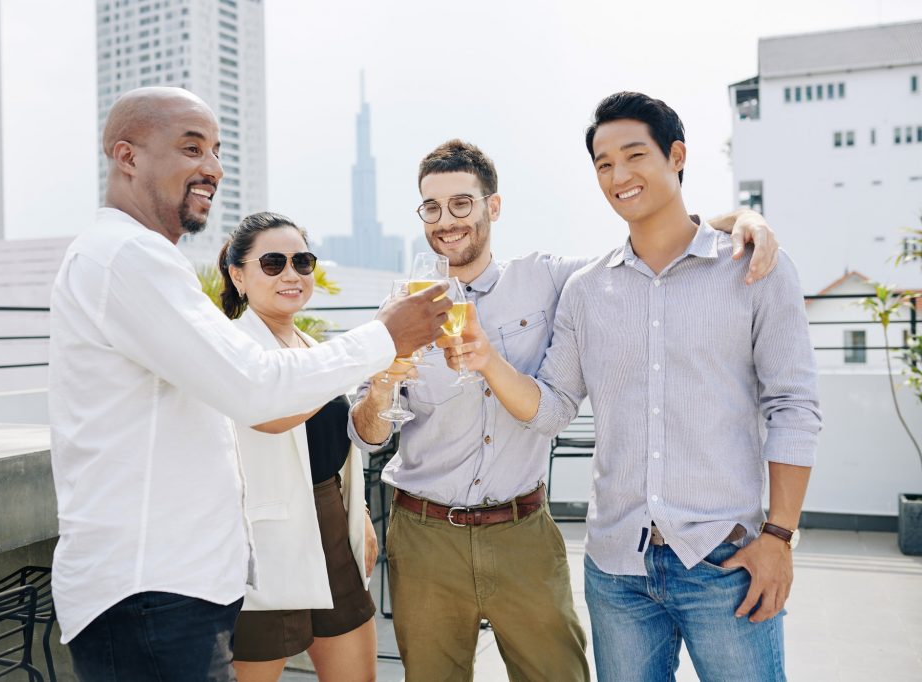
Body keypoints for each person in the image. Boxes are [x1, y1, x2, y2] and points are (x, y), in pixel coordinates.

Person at [48, 87, 450, 682]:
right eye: (191, 147)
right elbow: (262, 394)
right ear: (126, 156)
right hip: (150, 596)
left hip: (179, 587)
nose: (211, 167)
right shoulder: (126, 257)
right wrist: (385, 335)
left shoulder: (137, 261)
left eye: (216, 150)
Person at [348, 138, 780, 681]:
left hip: (521, 531)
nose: (445, 220)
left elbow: (651, 242)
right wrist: (383, 386)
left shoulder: (549, 280)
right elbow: (364, 436)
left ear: (493, 207)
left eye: (461, 203)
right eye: (431, 207)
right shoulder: (399, 308)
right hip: (424, 535)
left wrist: (743, 217)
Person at [444, 92, 822, 681]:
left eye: (633, 155)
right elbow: (553, 409)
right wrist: (488, 361)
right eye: (602, 163)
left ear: (676, 156)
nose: (618, 175)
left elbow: (793, 407)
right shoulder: (587, 290)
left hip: (728, 560)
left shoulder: (752, 267)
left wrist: (779, 535)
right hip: (618, 569)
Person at [216, 212, 379, 682]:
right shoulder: (231, 349)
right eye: (272, 262)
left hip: (332, 522)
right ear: (238, 275)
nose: (292, 274)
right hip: (266, 542)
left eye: (302, 261)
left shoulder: (311, 348)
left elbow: (332, 443)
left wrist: (358, 513)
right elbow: (269, 411)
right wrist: (370, 350)